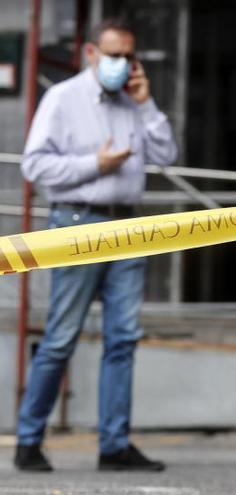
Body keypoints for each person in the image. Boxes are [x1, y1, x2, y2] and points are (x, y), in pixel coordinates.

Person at [14, 18, 177, 472]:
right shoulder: (62, 99)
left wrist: (146, 107)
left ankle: (114, 445)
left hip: (127, 228)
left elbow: (167, 156)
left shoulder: (133, 103)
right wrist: (96, 165)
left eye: (128, 56)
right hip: (78, 222)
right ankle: (28, 440)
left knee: (123, 339)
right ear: (90, 53)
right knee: (61, 338)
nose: (120, 64)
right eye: (112, 55)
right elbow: (36, 167)